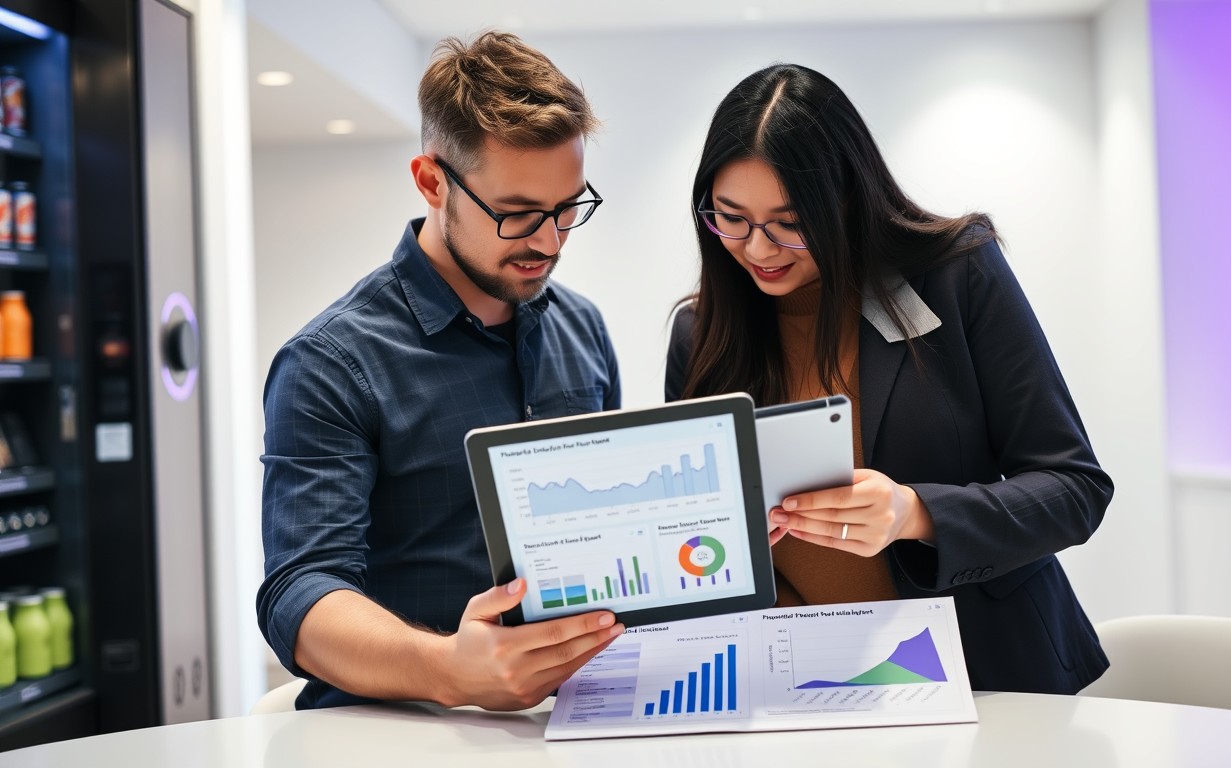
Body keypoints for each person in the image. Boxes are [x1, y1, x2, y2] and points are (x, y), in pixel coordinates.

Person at [665, 64, 1114, 694]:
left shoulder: (959, 275)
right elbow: (699, 541)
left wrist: (915, 512)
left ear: (847, 201)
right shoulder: (700, 334)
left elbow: (1075, 489)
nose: (758, 249)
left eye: (791, 224)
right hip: (798, 683)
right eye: (730, 218)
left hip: (984, 672)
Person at [256, 32, 624, 711]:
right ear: (432, 181)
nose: (548, 241)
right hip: (399, 728)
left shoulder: (583, 328)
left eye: (567, 209)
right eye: (516, 215)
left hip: (574, 714)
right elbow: (300, 595)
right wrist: (449, 669)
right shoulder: (331, 363)